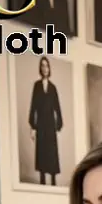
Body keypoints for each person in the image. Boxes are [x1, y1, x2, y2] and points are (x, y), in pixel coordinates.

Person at [28, 56, 62, 185]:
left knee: (51, 152)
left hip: (50, 125)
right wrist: (33, 126)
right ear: (40, 69)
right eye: (42, 66)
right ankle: (42, 180)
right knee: (42, 152)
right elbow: (33, 106)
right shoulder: (37, 86)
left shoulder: (53, 88)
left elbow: (57, 107)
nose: (45, 68)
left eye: (46, 66)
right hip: (41, 124)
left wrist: (58, 125)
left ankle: (53, 181)